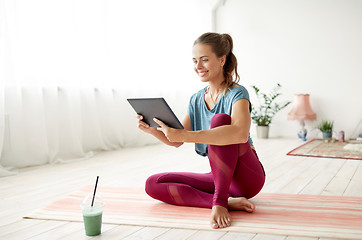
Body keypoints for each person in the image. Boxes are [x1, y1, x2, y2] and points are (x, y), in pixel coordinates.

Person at [137, 32, 265, 229]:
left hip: (247, 178)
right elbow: (177, 140)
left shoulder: (238, 93)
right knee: (153, 183)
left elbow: (239, 133)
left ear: (222, 60)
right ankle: (223, 202)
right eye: (195, 61)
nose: (198, 67)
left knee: (220, 120)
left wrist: (185, 135)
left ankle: (220, 201)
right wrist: (152, 130)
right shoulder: (196, 99)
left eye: (204, 60)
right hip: (220, 176)